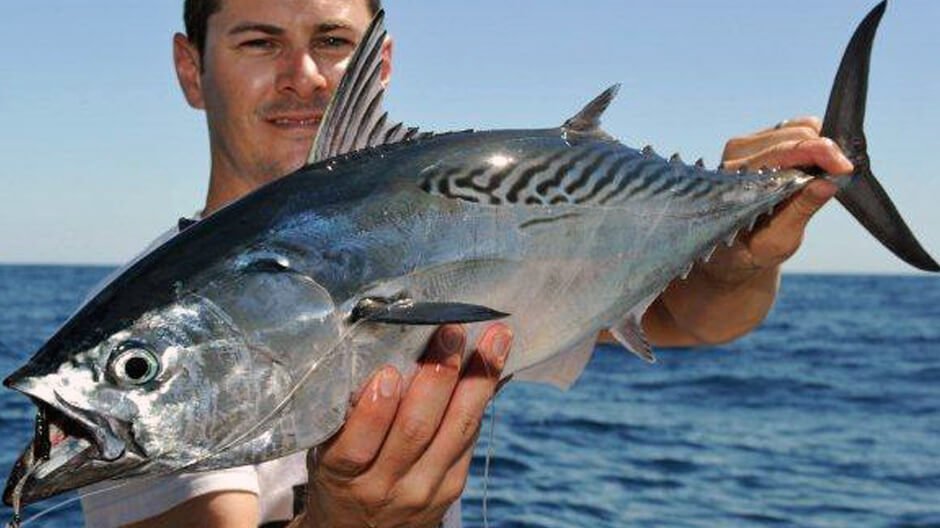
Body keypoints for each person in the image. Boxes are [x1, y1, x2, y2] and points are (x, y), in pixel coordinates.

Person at [79, 0, 855, 526]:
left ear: (377, 69)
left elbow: (694, 318)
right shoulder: (152, 331)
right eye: (258, 41)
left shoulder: (460, 215)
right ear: (191, 67)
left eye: (333, 42)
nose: (303, 77)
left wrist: (745, 249)